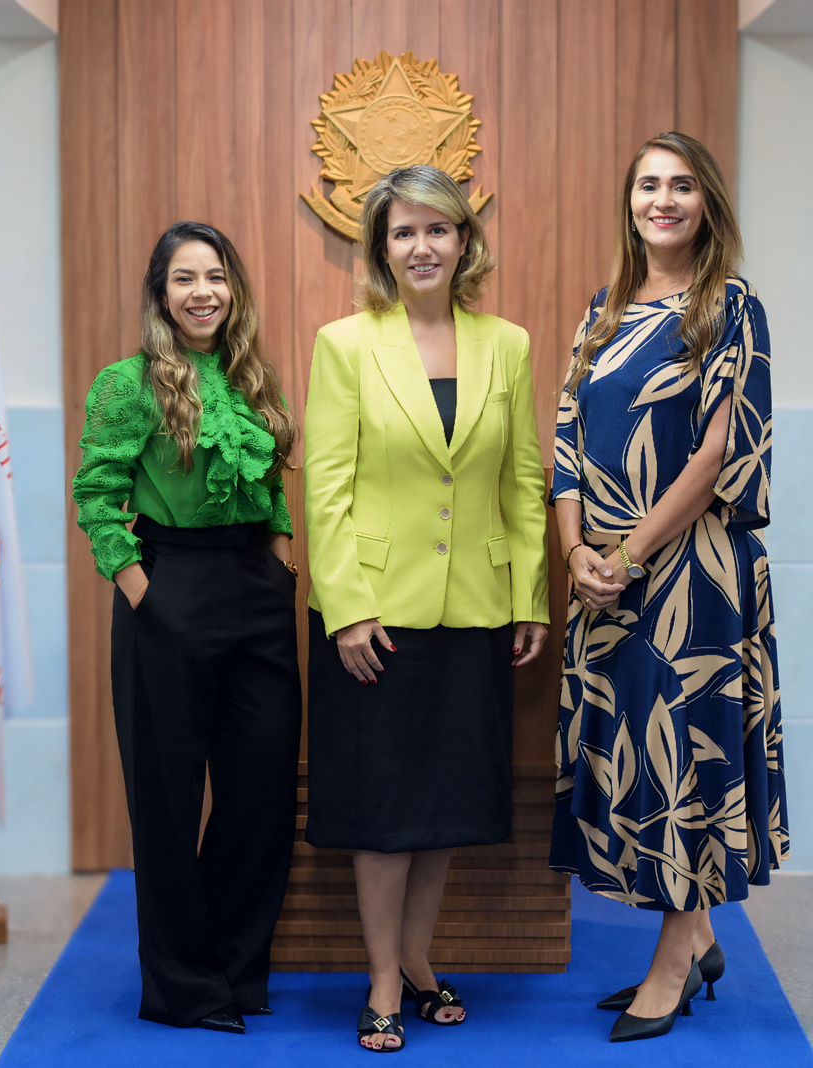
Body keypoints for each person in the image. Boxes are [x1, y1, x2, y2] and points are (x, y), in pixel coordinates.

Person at [549, 132, 789, 1043]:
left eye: (682, 185)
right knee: (633, 755)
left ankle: (674, 956)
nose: (663, 200)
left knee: (682, 754)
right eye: (649, 184)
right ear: (631, 202)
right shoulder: (601, 311)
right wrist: (577, 555)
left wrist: (632, 553)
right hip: (602, 577)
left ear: (707, 202)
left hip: (691, 576)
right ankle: (697, 937)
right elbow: (565, 440)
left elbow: (718, 453)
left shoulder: (733, 307)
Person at [303, 166, 550, 1052]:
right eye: (404, 233)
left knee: (444, 805)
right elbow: (326, 489)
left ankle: (418, 955)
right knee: (383, 808)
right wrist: (347, 610)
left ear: (464, 242)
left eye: (437, 230)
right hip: (377, 616)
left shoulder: (509, 345)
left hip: (477, 609)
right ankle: (378, 975)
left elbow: (524, 479)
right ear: (381, 249)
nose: (421, 247)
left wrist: (529, 594)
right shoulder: (344, 345)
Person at [71, 221, 301, 1037]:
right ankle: (180, 987)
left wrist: (279, 569)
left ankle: (235, 971)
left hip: (254, 593)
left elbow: (272, 490)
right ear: (160, 294)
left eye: (216, 277)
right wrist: (143, 592)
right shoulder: (127, 384)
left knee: (261, 795)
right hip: (167, 592)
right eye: (184, 279)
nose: (203, 292)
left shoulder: (253, 379)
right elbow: (97, 495)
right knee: (167, 803)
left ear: (233, 289)